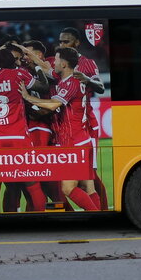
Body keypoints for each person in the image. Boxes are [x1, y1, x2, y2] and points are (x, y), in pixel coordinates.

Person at [19, 46, 100, 211]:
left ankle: (95, 215)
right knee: (88, 188)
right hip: (81, 138)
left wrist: (28, 97)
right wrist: (30, 55)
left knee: (67, 189)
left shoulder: (71, 83)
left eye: (55, 60)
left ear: (63, 64)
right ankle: (99, 217)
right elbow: (46, 67)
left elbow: (53, 104)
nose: (52, 63)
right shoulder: (69, 78)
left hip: (74, 142)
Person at [0, 45, 46, 214]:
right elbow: (43, 86)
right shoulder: (17, 74)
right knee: (33, 185)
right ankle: (42, 220)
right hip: (19, 137)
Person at [52, 27, 109, 210]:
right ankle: (99, 213)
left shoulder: (87, 63)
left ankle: (102, 209)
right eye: (60, 41)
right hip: (69, 126)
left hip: (86, 125)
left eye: (66, 41)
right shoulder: (60, 63)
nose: (62, 44)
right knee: (85, 181)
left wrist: (86, 78)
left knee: (90, 177)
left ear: (77, 43)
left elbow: (100, 87)